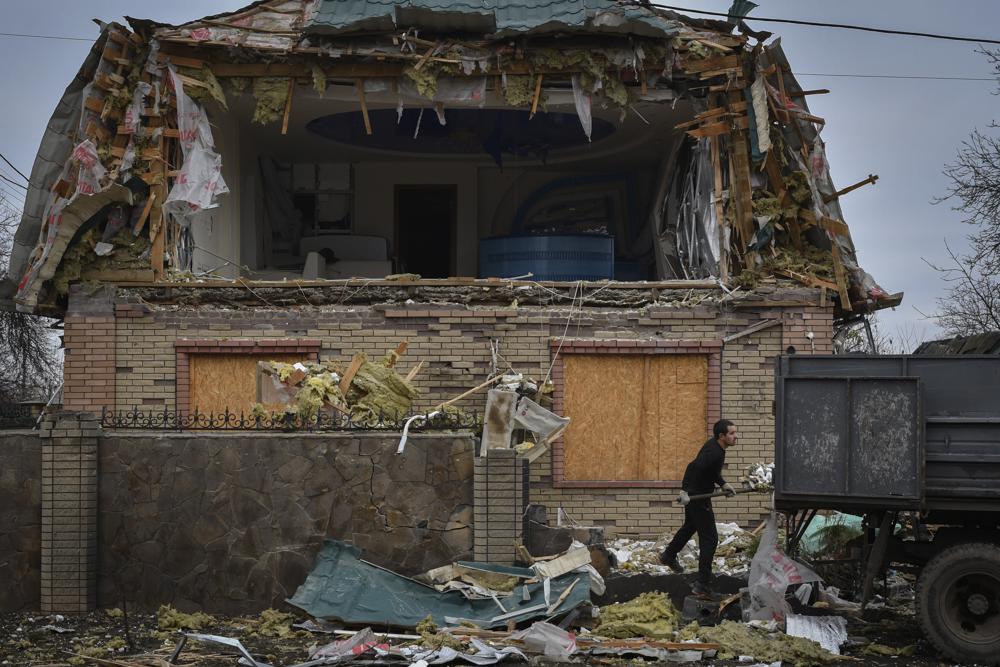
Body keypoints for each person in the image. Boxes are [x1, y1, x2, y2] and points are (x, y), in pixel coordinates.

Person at [659, 419, 739, 595]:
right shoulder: (714, 453)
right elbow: (693, 466)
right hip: (697, 498)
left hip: (698, 495)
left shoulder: (717, 448)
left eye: (735, 432)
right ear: (721, 436)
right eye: (732, 433)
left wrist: (723, 484)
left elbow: (711, 471)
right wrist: (685, 491)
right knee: (710, 539)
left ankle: (669, 555)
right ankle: (702, 582)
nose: (736, 436)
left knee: (690, 526)